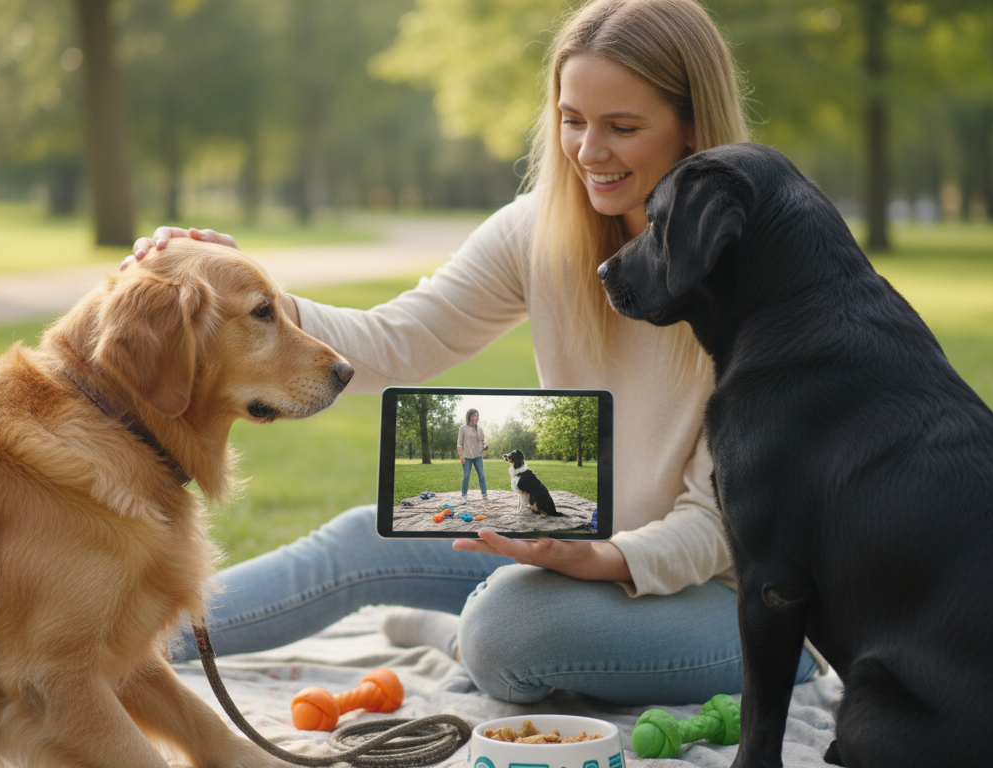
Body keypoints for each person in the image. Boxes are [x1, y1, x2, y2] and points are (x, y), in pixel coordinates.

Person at [127, 0, 819, 706]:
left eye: (623, 127)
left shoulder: (765, 277)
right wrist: (242, 291)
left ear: (692, 127)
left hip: (735, 596)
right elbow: (401, 341)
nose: (587, 151)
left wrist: (596, 559)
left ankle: (473, 632)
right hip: (584, 535)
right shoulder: (542, 230)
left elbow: (717, 526)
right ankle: (115, 640)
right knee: (362, 539)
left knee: (506, 630)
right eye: (572, 120)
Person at [457, 409, 488, 502]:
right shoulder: (463, 428)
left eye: (478, 416)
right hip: (466, 456)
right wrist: (461, 456)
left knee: (482, 475)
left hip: (478, 456)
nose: (477, 418)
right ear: (469, 417)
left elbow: (481, 443)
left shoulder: (480, 429)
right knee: (466, 476)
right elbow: (459, 443)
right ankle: (464, 496)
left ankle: (484, 495)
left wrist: (484, 447)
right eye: (475, 416)